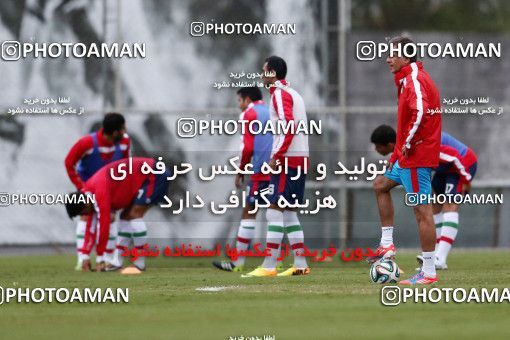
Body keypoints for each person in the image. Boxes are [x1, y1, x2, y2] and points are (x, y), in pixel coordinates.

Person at [369, 37, 442, 285]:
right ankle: (387, 245)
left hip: (416, 157)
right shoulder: (408, 79)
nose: (388, 58)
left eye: (393, 54)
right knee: (380, 185)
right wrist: (398, 152)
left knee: (422, 212)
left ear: (407, 56)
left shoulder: (414, 79)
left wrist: (405, 147)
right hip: (407, 156)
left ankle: (429, 272)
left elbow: (419, 113)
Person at [371, 126, 478, 270]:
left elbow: (454, 157)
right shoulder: (405, 146)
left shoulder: (422, 144)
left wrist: (466, 180)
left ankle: (440, 258)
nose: (375, 150)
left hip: (462, 164)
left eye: (377, 146)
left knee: (450, 206)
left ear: (389, 145)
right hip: (444, 168)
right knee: (434, 207)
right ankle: (436, 257)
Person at [244, 56, 310, 277]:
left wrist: (277, 156)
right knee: (289, 212)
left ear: (272, 73)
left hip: (287, 161)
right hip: (300, 159)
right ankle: (300, 263)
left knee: (273, 211)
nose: (261, 75)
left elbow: (288, 127)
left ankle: (269, 265)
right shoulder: (293, 94)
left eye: (263, 71)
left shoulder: (280, 95)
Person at [64, 157, 170, 273]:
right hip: (146, 176)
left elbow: (104, 225)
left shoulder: (98, 192)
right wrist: (85, 255)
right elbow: (94, 225)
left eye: (83, 213)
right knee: (124, 216)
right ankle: (116, 262)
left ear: (85, 204)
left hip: (155, 173)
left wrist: (100, 259)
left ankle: (140, 264)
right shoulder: (89, 190)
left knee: (134, 214)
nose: (86, 215)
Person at [212, 87, 273, 272]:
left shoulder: (249, 113)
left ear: (247, 100)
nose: (239, 105)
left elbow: (247, 148)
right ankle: (276, 262)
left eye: (239, 101)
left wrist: (240, 171)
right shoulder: (272, 111)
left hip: (260, 172)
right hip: (277, 170)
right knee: (278, 215)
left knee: (249, 213)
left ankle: (238, 263)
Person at [64, 112, 130, 270]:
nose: (125, 131)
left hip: (111, 190)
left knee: (111, 218)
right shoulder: (86, 143)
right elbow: (69, 163)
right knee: (86, 218)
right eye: (122, 128)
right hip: (89, 187)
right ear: (115, 132)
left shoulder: (125, 141)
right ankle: (83, 259)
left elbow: (125, 166)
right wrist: (82, 189)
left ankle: (107, 259)